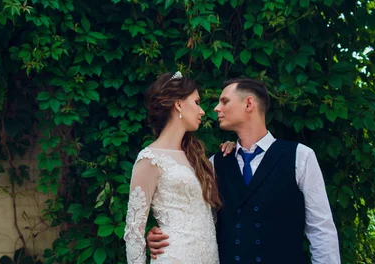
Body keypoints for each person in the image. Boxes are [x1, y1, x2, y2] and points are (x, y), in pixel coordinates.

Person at [146, 78, 341, 264]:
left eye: (224, 101)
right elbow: (199, 221)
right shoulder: (215, 164)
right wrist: (165, 234)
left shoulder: (301, 157)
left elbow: (321, 230)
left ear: (248, 104)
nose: (216, 108)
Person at [124, 71, 235, 264]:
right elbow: (134, 230)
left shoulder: (197, 157)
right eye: (197, 102)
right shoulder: (150, 159)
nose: (202, 111)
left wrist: (236, 149)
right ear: (178, 104)